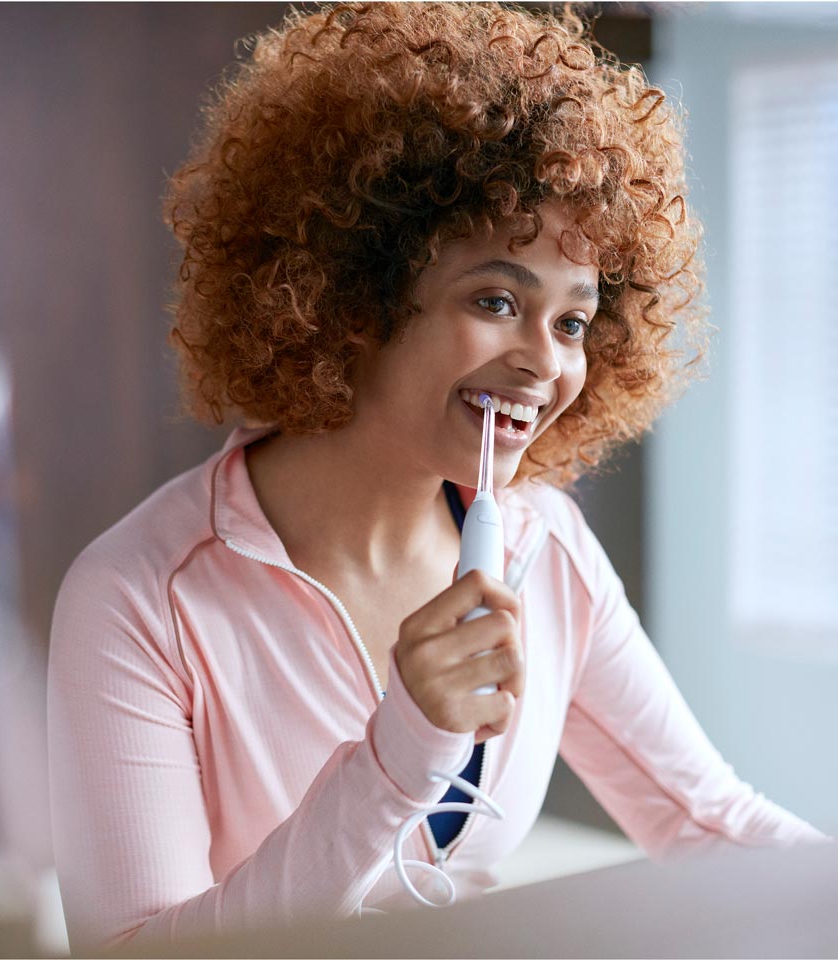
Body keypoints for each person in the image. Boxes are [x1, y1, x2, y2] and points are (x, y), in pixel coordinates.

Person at [47, 3, 830, 953]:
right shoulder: (139, 599)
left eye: (574, 321)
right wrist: (396, 756)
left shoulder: (544, 546)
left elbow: (712, 825)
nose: (547, 364)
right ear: (351, 296)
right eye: (497, 299)